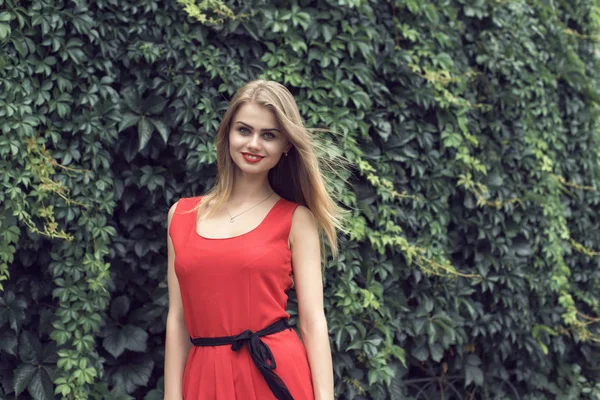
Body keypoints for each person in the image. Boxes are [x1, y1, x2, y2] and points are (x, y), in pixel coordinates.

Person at [164, 80, 348, 400]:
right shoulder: (180, 216)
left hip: (274, 373)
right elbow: (177, 320)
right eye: (244, 130)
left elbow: (313, 321)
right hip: (204, 379)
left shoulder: (296, 220)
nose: (253, 144)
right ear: (227, 134)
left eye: (269, 135)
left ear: (286, 145)